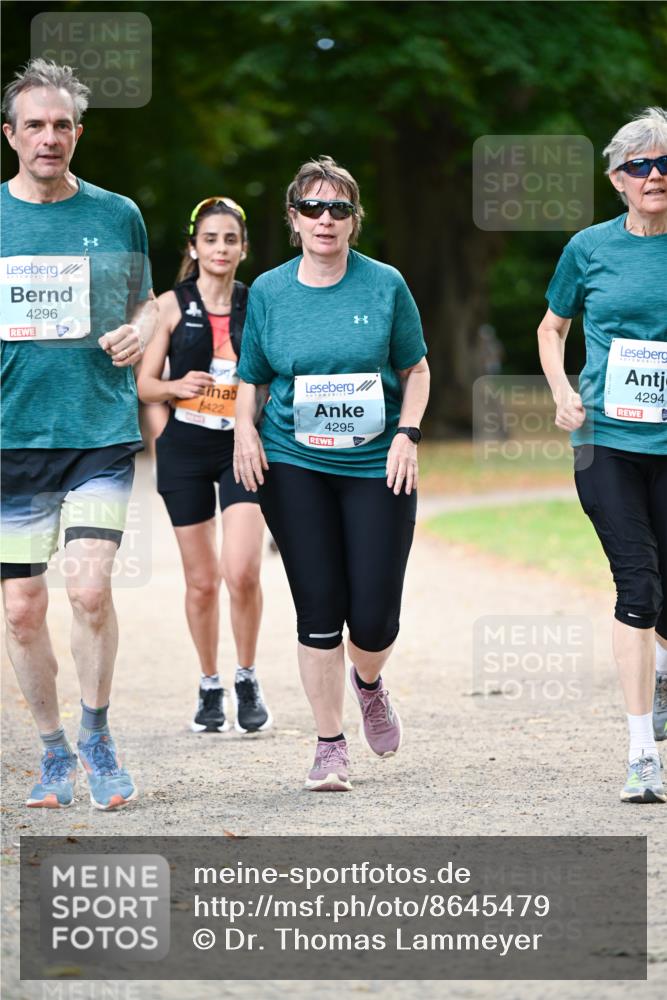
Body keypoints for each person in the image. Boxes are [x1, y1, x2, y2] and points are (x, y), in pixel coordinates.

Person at [234, 156, 429, 791]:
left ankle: (368, 683)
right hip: (295, 462)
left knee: (372, 618)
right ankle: (329, 744)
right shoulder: (268, 291)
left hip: (377, 463)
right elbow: (252, 377)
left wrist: (407, 434)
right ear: (293, 218)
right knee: (318, 607)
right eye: (313, 208)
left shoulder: (385, 285)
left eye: (338, 208)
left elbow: (416, 371)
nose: (326, 219)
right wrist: (243, 434)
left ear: (353, 220)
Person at [0, 60, 157, 810]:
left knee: (89, 588)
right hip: (11, 440)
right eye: (34, 124)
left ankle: (96, 734)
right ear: (10, 135)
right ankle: (53, 753)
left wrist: (138, 330)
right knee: (23, 608)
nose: (49, 137)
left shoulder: (115, 213)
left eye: (62, 124)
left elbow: (151, 304)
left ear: (78, 134)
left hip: (97, 429)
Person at [538, 108, 667, 804]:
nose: (655, 176)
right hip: (606, 442)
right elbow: (550, 327)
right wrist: (561, 391)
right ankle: (640, 751)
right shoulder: (587, 249)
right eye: (641, 166)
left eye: (665, 164)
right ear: (617, 179)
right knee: (637, 587)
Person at [137, 197, 272, 735]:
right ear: (194, 247)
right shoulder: (170, 305)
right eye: (210, 239)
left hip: (242, 448)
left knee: (241, 569)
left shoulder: (257, 302)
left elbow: (273, 373)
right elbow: (145, 384)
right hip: (186, 449)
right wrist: (174, 389)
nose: (220, 248)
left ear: (243, 248)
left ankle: (247, 675)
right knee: (200, 582)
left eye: (230, 239)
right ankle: (209, 683)